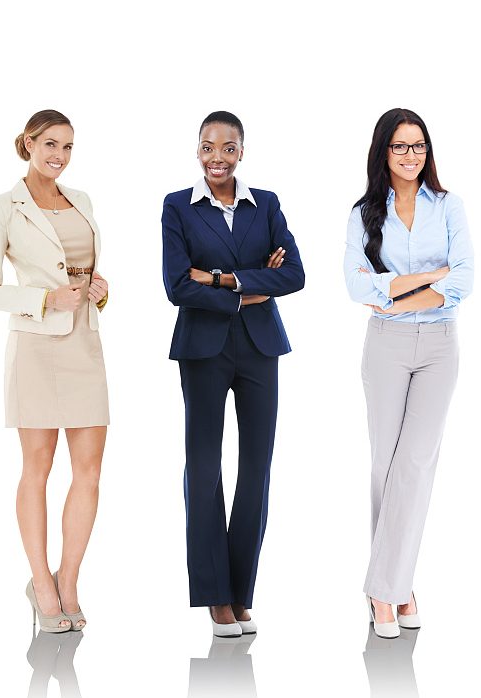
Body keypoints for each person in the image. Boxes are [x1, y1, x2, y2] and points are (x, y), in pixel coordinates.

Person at [161, 111, 304, 637]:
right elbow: (177, 284)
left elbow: (293, 274)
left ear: (241, 151)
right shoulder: (177, 206)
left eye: (227, 147)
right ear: (197, 152)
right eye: (207, 147)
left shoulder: (264, 204)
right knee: (203, 467)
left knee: (256, 471)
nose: (216, 157)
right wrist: (247, 287)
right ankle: (215, 596)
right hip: (203, 349)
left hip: (261, 348)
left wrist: (219, 278)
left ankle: (241, 591)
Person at [0, 109, 112, 633]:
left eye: (68, 147)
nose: (59, 156)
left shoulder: (84, 201)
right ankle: (40, 581)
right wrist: (44, 298)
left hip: (85, 342)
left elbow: (88, 269)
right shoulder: (3, 208)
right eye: (50, 144)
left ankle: (68, 578)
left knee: (90, 472)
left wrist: (101, 289)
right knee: (38, 467)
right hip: (35, 346)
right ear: (28, 144)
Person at [344, 108, 475, 639]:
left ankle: (384, 589)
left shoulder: (448, 206)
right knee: (386, 465)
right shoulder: (363, 212)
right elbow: (356, 286)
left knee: (415, 464)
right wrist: (427, 278)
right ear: (383, 152)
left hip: (440, 345)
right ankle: (396, 589)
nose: (411, 155)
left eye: (418, 145)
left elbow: (464, 277)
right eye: (400, 147)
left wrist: (396, 288)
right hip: (387, 346)